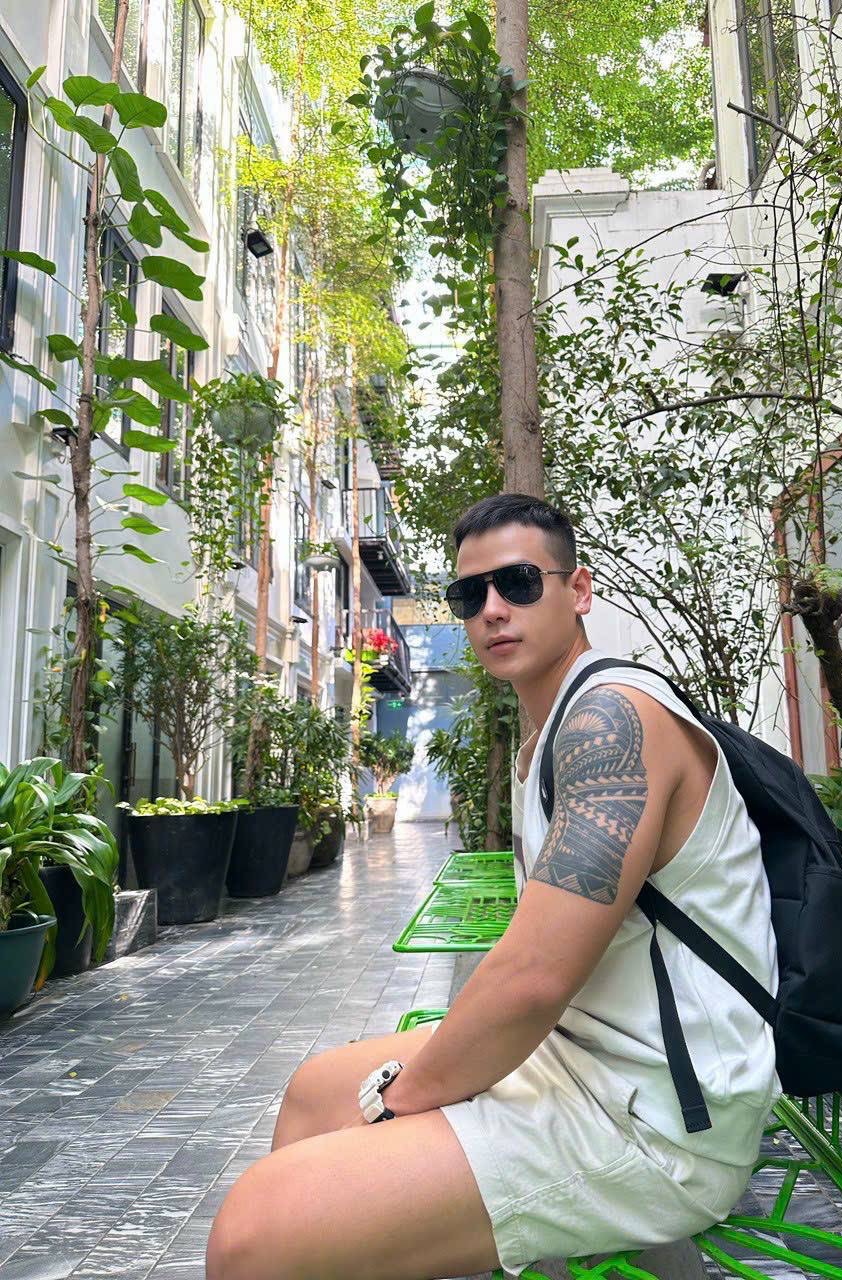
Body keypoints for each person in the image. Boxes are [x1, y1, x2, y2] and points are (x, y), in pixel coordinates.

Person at [206, 492, 780, 1280]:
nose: (493, 610)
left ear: (579, 590)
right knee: (313, 1093)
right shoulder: (549, 730)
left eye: (518, 582)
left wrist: (395, 1106)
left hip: (660, 1121)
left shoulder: (611, 719)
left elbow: (532, 979)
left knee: (252, 1231)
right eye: (469, 594)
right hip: (575, 1061)